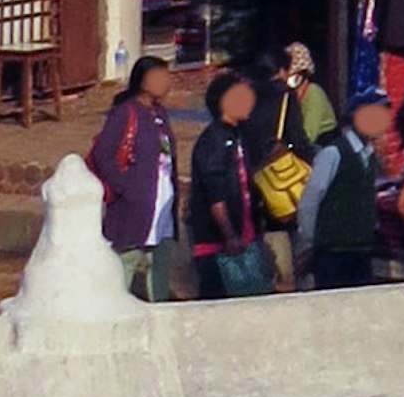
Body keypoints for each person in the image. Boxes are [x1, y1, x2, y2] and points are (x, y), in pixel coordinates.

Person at [86, 51, 180, 300]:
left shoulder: (160, 114)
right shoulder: (124, 113)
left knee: (159, 264)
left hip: (161, 202)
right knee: (125, 265)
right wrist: (126, 189)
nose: (166, 83)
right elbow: (103, 154)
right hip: (134, 204)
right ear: (143, 81)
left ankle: (158, 313)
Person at [185, 66, 275, 302]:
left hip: (245, 241)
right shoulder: (213, 141)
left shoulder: (239, 136)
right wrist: (229, 235)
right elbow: (215, 194)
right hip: (218, 247)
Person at [296, 92, 396, 293]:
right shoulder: (332, 153)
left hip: (361, 249)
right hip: (333, 252)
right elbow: (310, 200)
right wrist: (310, 241)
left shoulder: (369, 157)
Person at [257, 38, 337, 283]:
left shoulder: (313, 95)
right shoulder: (285, 97)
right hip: (289, 171)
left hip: (280, 170)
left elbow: (310, 133)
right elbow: (301, 139)